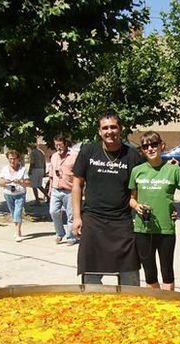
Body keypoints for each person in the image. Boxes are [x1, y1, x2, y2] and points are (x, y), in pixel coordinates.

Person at [72, 110, 143, 285]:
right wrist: (76, 217)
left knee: (130, 276)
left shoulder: (132, 155)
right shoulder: (88, 151)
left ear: (121, 129)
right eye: (105, 128)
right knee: (90, 277)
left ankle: (132, 308)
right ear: (99, 131)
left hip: (122, 223)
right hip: (93, 221)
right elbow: (77, 184)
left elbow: (146, 184)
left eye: (113, 127)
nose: (109, 131)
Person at [129, 131, 180, 290]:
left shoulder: (173, 170)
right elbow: (131, 198)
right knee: (149, 273)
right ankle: (156, 305)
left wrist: (175, 209)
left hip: (165, 228)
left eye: (154, 145)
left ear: (162, 146)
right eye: (146, 146)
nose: (150, 149)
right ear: (142, 150)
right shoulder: (137, 170)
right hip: (143, 229)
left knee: (167, 271)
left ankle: (168, 306)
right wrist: (136, 206)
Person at [48, 134, 77, 246]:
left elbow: (79, 174)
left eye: (60, 145)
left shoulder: (73, 156)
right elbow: (51, 175)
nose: (58, 147)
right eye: (56, 145)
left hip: (69, 190)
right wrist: (50, 188)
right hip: (56, 189)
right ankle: (60, 233)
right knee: (53, 211)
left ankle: (71, 237)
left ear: (65, 144)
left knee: (71, 215)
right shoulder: (54, 156)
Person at [0, 150, 31, 242]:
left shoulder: (22, 170)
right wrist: (6, 182)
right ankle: (17, 229)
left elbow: (28, 183)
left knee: (18, 212)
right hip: (8, 194)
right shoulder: (5, 169)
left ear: (18, 159)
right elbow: (0, 183)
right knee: (13, 213)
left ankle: (17, 232)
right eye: (10, 159)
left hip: (20, 194)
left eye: (14, 159)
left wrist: (21, 181)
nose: (12, 161)